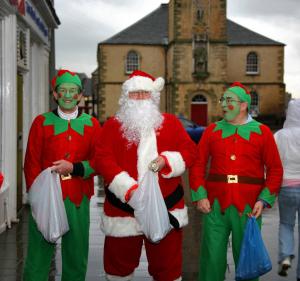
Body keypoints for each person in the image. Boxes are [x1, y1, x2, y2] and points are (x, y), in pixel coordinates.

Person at [96, 70, 196, 281]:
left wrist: (168, 160)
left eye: (144, 93)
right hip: (122, 211)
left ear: (153, 96)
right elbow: (102, 158)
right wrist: (127, 188)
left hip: (167, 208)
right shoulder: (113, 126)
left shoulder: (171, 123)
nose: (140, 97)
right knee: (118, 268)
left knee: (167, 267)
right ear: (126, 97)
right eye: (135, 93)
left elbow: (189, 152)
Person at [189, 82, 283, 281]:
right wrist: (199, 195)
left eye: (228, 100)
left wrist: (263, 199)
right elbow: (197, 164)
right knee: (211, 260)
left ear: (243, 105)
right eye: (223, 99)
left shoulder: (263, 132)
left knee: (246, 260)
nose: (223, 103)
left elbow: (275, 170)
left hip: (249, 207)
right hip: (214, 206)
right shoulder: (212, 130)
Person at [23, 69, 102, 281]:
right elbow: (30, 162)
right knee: (38, 253)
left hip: (78, 197)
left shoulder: (92, 125)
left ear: (79, 95)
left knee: (76, 254)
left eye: (73, 91)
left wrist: (75, 168)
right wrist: (35, 196)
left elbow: (99, 162)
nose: (68, 95)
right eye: (63, 90)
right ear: (55, 94)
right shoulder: (41, 122)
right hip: (46, 197)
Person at [274, 99, 300, 280]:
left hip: (286, 187)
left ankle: (285, 256)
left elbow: (272, 162)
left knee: (286, 224)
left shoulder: (280, 135)